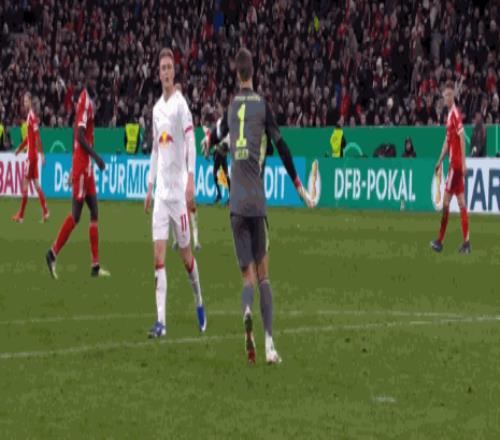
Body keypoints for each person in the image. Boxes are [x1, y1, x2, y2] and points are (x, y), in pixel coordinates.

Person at [201, 47, 314, 365]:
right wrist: (299, 187)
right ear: (254, 72)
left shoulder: (230, 108)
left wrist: (207, 143)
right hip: (256, 202)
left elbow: (215, 138)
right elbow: (282, 147)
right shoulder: (263, 107)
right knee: (264, 276)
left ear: (236, 74)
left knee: (247, 280)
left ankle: (246, 309)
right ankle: (269, 345)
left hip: (235, 204)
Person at [144, 48, 206, 338]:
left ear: (174, 72)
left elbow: (191, 141)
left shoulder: (181, 105)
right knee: (158, 257)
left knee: (186, 257)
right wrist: (149, 185)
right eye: (162, 68)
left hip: (179, 195)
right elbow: (156, 150)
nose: (166, 72)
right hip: (161, 196)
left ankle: (199, 299)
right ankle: (161, 322)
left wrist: (191, 178)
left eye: (170, 67)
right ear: (158, 74)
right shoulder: (156, 109)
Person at [45, 66, 110, 279]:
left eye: (96, 78)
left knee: (95, 210)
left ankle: (95, 266)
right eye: (93, 78)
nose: (96, 82)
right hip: (83, 166)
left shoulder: (87, 100)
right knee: (76, 215)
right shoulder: (84, 102)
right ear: (87, 80)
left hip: (85, 166)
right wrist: (96, 157)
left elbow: (80, 133)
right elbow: (80, 136)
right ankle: (52, 253)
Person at [431, 81, 470, 254]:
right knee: (461, 203)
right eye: (444, 95)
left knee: (445, 202)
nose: (445, 98)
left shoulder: (455, 114)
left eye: (448, 95)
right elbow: (448, 142)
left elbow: (462, 138)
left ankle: (439, 241)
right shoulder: (449, 115)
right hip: (455, 164)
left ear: (452, 95)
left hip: (455, 165)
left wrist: (463, 162)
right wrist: (439, 161)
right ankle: (467, 244)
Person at [11, 93, 49, 223]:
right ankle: (45, 212)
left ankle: (21, 216)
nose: (24, 103)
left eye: (26, 101)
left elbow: (37, 137)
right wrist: (19, 149)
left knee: (25, 183)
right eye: (24, 101)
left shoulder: (31, 117)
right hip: (33, 156)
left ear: (30, 102)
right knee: (36, 184)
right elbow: (29, 138)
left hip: (31, 156)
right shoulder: (30, 116)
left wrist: (42, 154)